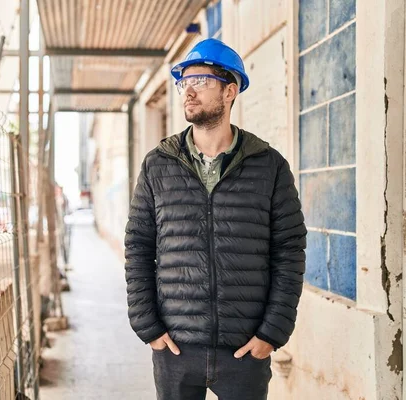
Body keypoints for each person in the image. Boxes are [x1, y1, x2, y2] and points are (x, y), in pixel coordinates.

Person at [124, 38, 307, 400]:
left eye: (201, 81)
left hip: (244, 350)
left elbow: (290, 250)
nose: (188, 91)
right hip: (175, 347)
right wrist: (147, 325)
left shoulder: (269, 166)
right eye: (183, 83)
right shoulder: (158, 164)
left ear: (230, 91)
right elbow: (138, 247)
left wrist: (272, 332)